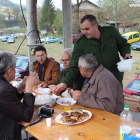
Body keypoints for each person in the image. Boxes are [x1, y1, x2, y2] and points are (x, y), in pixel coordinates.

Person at [54, 14, 131, 94]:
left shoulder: (111, 32)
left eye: (87, 29)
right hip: (96, 84)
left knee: (117, 103)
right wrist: (65, 82)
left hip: (115, 79)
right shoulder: (81, 43)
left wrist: (126, 53)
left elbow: (123, 44)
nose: (84, 32)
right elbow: (73, 66)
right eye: (83, 29)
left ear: (95, 25)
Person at [0, 51, 39, 140]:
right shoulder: (4, 89)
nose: (16, 71)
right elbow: (26, 116)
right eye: (15, 68)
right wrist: (29, 89)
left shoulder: (3, 84)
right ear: (9, 71)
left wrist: (21, 87)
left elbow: (10, 101)